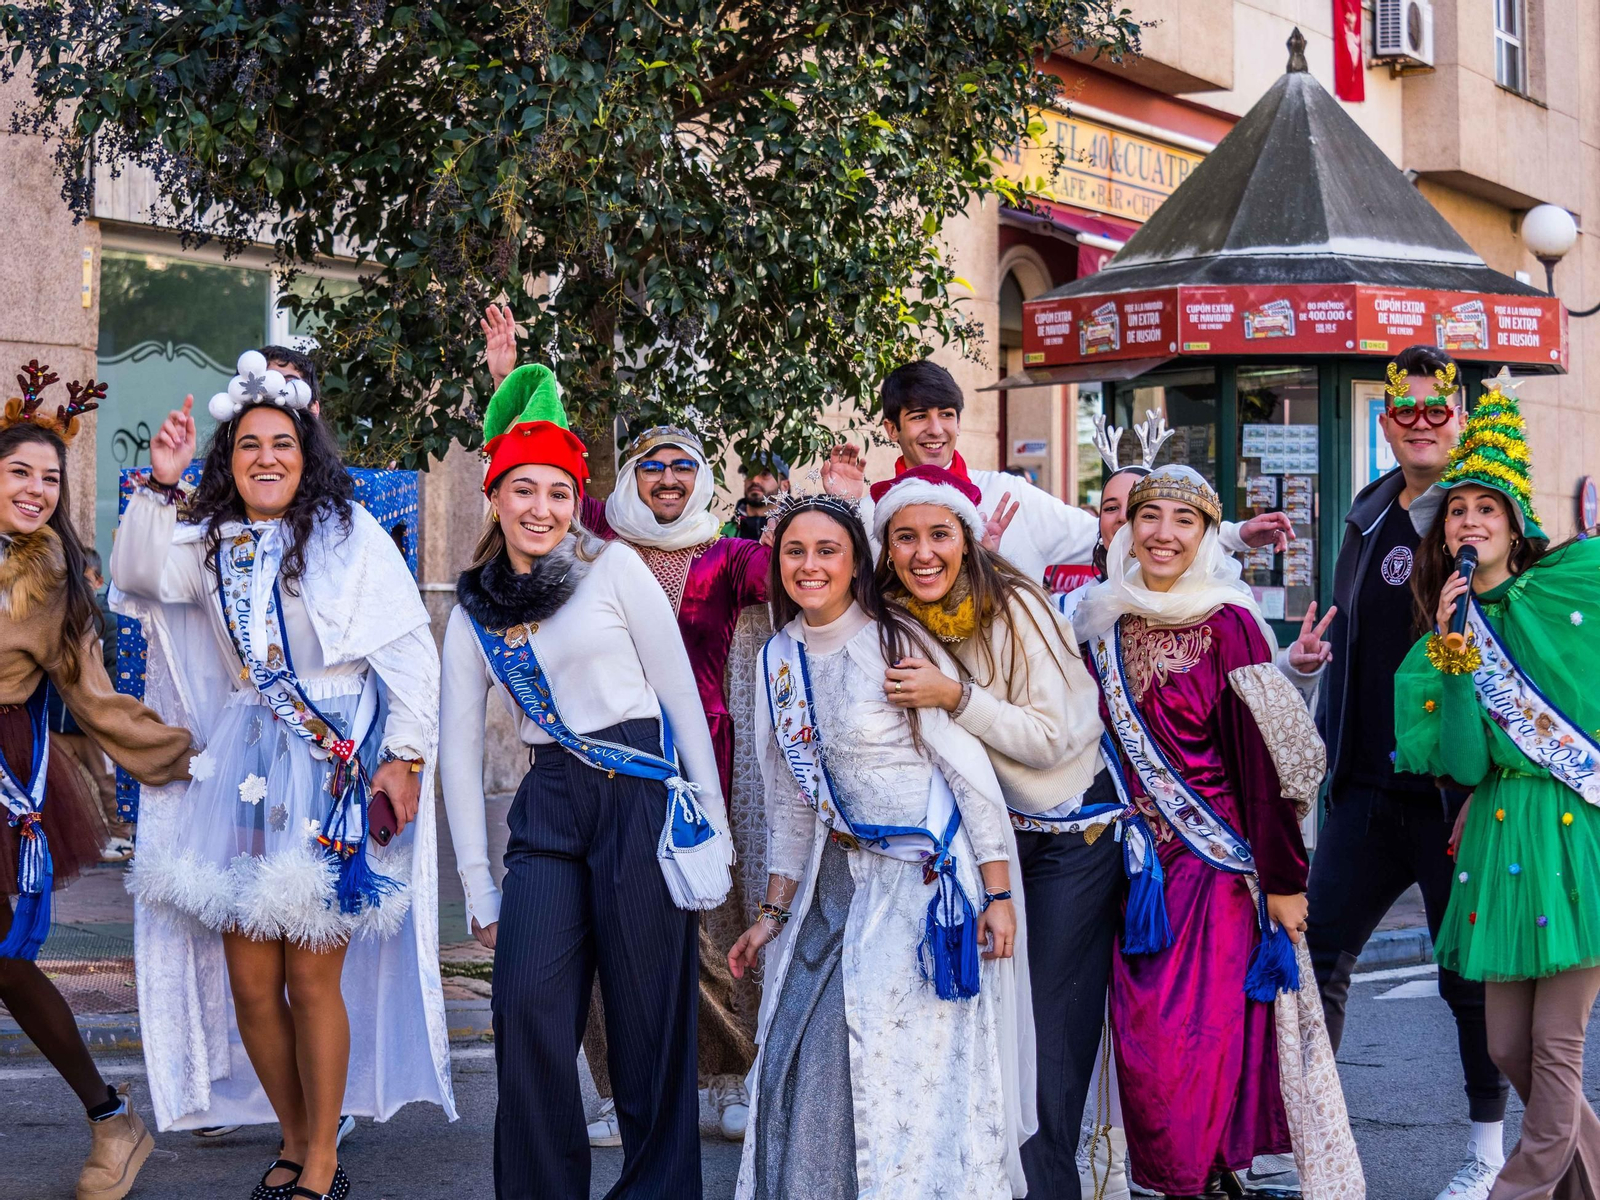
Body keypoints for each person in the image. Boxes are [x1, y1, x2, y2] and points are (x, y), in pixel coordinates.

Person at [112, 353, 454, 1200]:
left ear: (307, 456)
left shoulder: (348, 535)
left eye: (283, 444)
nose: (267, 457)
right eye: (248, 446)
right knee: (251, 982)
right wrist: (159, 485)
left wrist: (405, 758)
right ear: (227, 461)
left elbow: (411, 655)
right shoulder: (209, 544)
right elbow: (137, 575)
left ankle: (326, 1163)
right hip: (245, 768)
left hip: (332, 766)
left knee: (311, 974)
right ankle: (298, 1136)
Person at [437, 363, 732, 1200]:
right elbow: (457, 752)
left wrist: (710, 821)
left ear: (577, 501)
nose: (542, 509)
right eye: (523, 490)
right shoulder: (475, 612)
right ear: (494, 498)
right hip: (551, 805)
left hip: (641, 795)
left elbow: (678, 692)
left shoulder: (613, 569)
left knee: (648, 1028)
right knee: (526, 1012)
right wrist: (476, 888)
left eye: (560, 493)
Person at [730, 493, 1035, 1200]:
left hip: (924, 886)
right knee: (797, 1056)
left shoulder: (896, 640)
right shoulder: (776, 659)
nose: (810, 566)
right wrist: (771, 915)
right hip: (835, 882)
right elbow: (791, 801)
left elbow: (968, 776)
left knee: (904, 1077)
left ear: (855, 562)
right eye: (795, 552)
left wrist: (996, 895)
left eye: (827, 550)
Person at [1073, 465, 1360, 1198]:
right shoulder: (1098, 620)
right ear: (1128, 527)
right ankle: (1189, 1176)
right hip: (1130, 870)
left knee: (1187, 1041)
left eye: (1184, 520)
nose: (1164, 533)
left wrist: (1285, 880)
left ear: (1206, 536)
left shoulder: (1228, 622)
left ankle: (1188, 1181)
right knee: (1142, 1041)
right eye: (1150, 516)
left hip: (1213, 871)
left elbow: (1259, 763)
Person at [1297, 345, 1509, 1200]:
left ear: (1458, 417)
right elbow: (1355, 638)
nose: (1421, 423)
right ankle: (1305, 1141)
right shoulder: (1367, 509)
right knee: (1317, 961)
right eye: (1405, 411)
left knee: (1467, 980)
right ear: (1385, 423)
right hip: (1360, 783)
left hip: (1448, 797)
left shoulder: (1478, 521)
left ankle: (1488, 1153)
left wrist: (1486, 787)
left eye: (1436, 410)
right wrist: (1313, 674)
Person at [867, 464, 1109, 1198]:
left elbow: (1059, 736)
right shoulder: (892, 620)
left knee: (1050, 1050)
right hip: (980, 845)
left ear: (967, 540)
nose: (923, 552)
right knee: (985, 1044)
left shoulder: (1018, 607)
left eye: (940, 534)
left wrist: (957, 697)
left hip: (1068, 839)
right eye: (904, 537)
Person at [1396, 378, 1600, 1198]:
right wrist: (1452, 652)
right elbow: (1467, 767)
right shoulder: (1445, 635)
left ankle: (1516, 1191)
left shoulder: (1568, 596)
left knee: (1555, 1048)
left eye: (1488, 507)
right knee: (1510, 1048)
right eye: (1458, 511)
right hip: (1498, 835)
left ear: (1516, 526)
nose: (1470, 521)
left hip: (1574, 830)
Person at [0, 365, 194, 1200]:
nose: (38, 490)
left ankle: (112, 1119)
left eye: (51, 477)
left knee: (2, 961)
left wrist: (193, 757)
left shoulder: (52, 583)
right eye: (20, 471)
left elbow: (96, 697)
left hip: (5, 772)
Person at [844, 359, 1293, 582]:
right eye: (919, 416)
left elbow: (1119, 533)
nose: (936, 429)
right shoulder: (871, 511)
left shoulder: (1005, 495)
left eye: (946, 414)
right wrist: (840, 506)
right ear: (891, 428)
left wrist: (1234, 534)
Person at [728, 452, 790, 541]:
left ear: (785, 486)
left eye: (765, 474)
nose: (754, 480)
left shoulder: (796, 530)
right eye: (749, 473)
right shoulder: (723, 533)